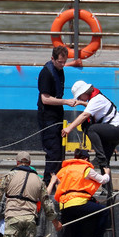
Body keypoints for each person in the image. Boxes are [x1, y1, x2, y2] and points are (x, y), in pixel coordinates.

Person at [48, 149, 111, 237]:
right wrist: (107, 173)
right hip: (79, 202)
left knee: (76, 236)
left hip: (65, 205)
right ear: (86, 159)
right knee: (104, 212)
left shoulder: (64, 170)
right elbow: (103, 180)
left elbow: (58, 186)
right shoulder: (85, 168)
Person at [63, 80, 119, 170]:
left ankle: (100, 157)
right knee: (104, 164)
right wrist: (81, 103)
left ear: (84, 92)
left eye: (79, 96)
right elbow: (91, 106)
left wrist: (69, 128)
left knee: (91, 128)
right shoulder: (96, 98)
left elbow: (85, 115)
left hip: (116, 129)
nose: (79, 99)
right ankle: (106, 182)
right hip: (116, 130)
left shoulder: (97, 99)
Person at [37, 46, 77, 185]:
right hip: (47, 116)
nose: (62, 65)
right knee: (53, 150)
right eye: (60, 62)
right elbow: (45, 99)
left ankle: (57, 179)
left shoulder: (60, 70)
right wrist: (65, 101)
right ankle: (49, 182)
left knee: (59, 150)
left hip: (57, 114)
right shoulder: (46, 73)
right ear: (52, 59)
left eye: (64, 62)